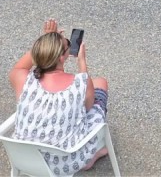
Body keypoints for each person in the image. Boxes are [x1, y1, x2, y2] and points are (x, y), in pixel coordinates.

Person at [10, 19, 111, 176]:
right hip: (65, 163)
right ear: (62, 57)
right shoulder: (79, 83)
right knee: (100, 87)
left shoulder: (23, 79)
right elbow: (89, 106)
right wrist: (82, 64)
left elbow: (20, 66)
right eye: (68, 45)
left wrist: (45, 41)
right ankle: (90, 156)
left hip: (23, 157)